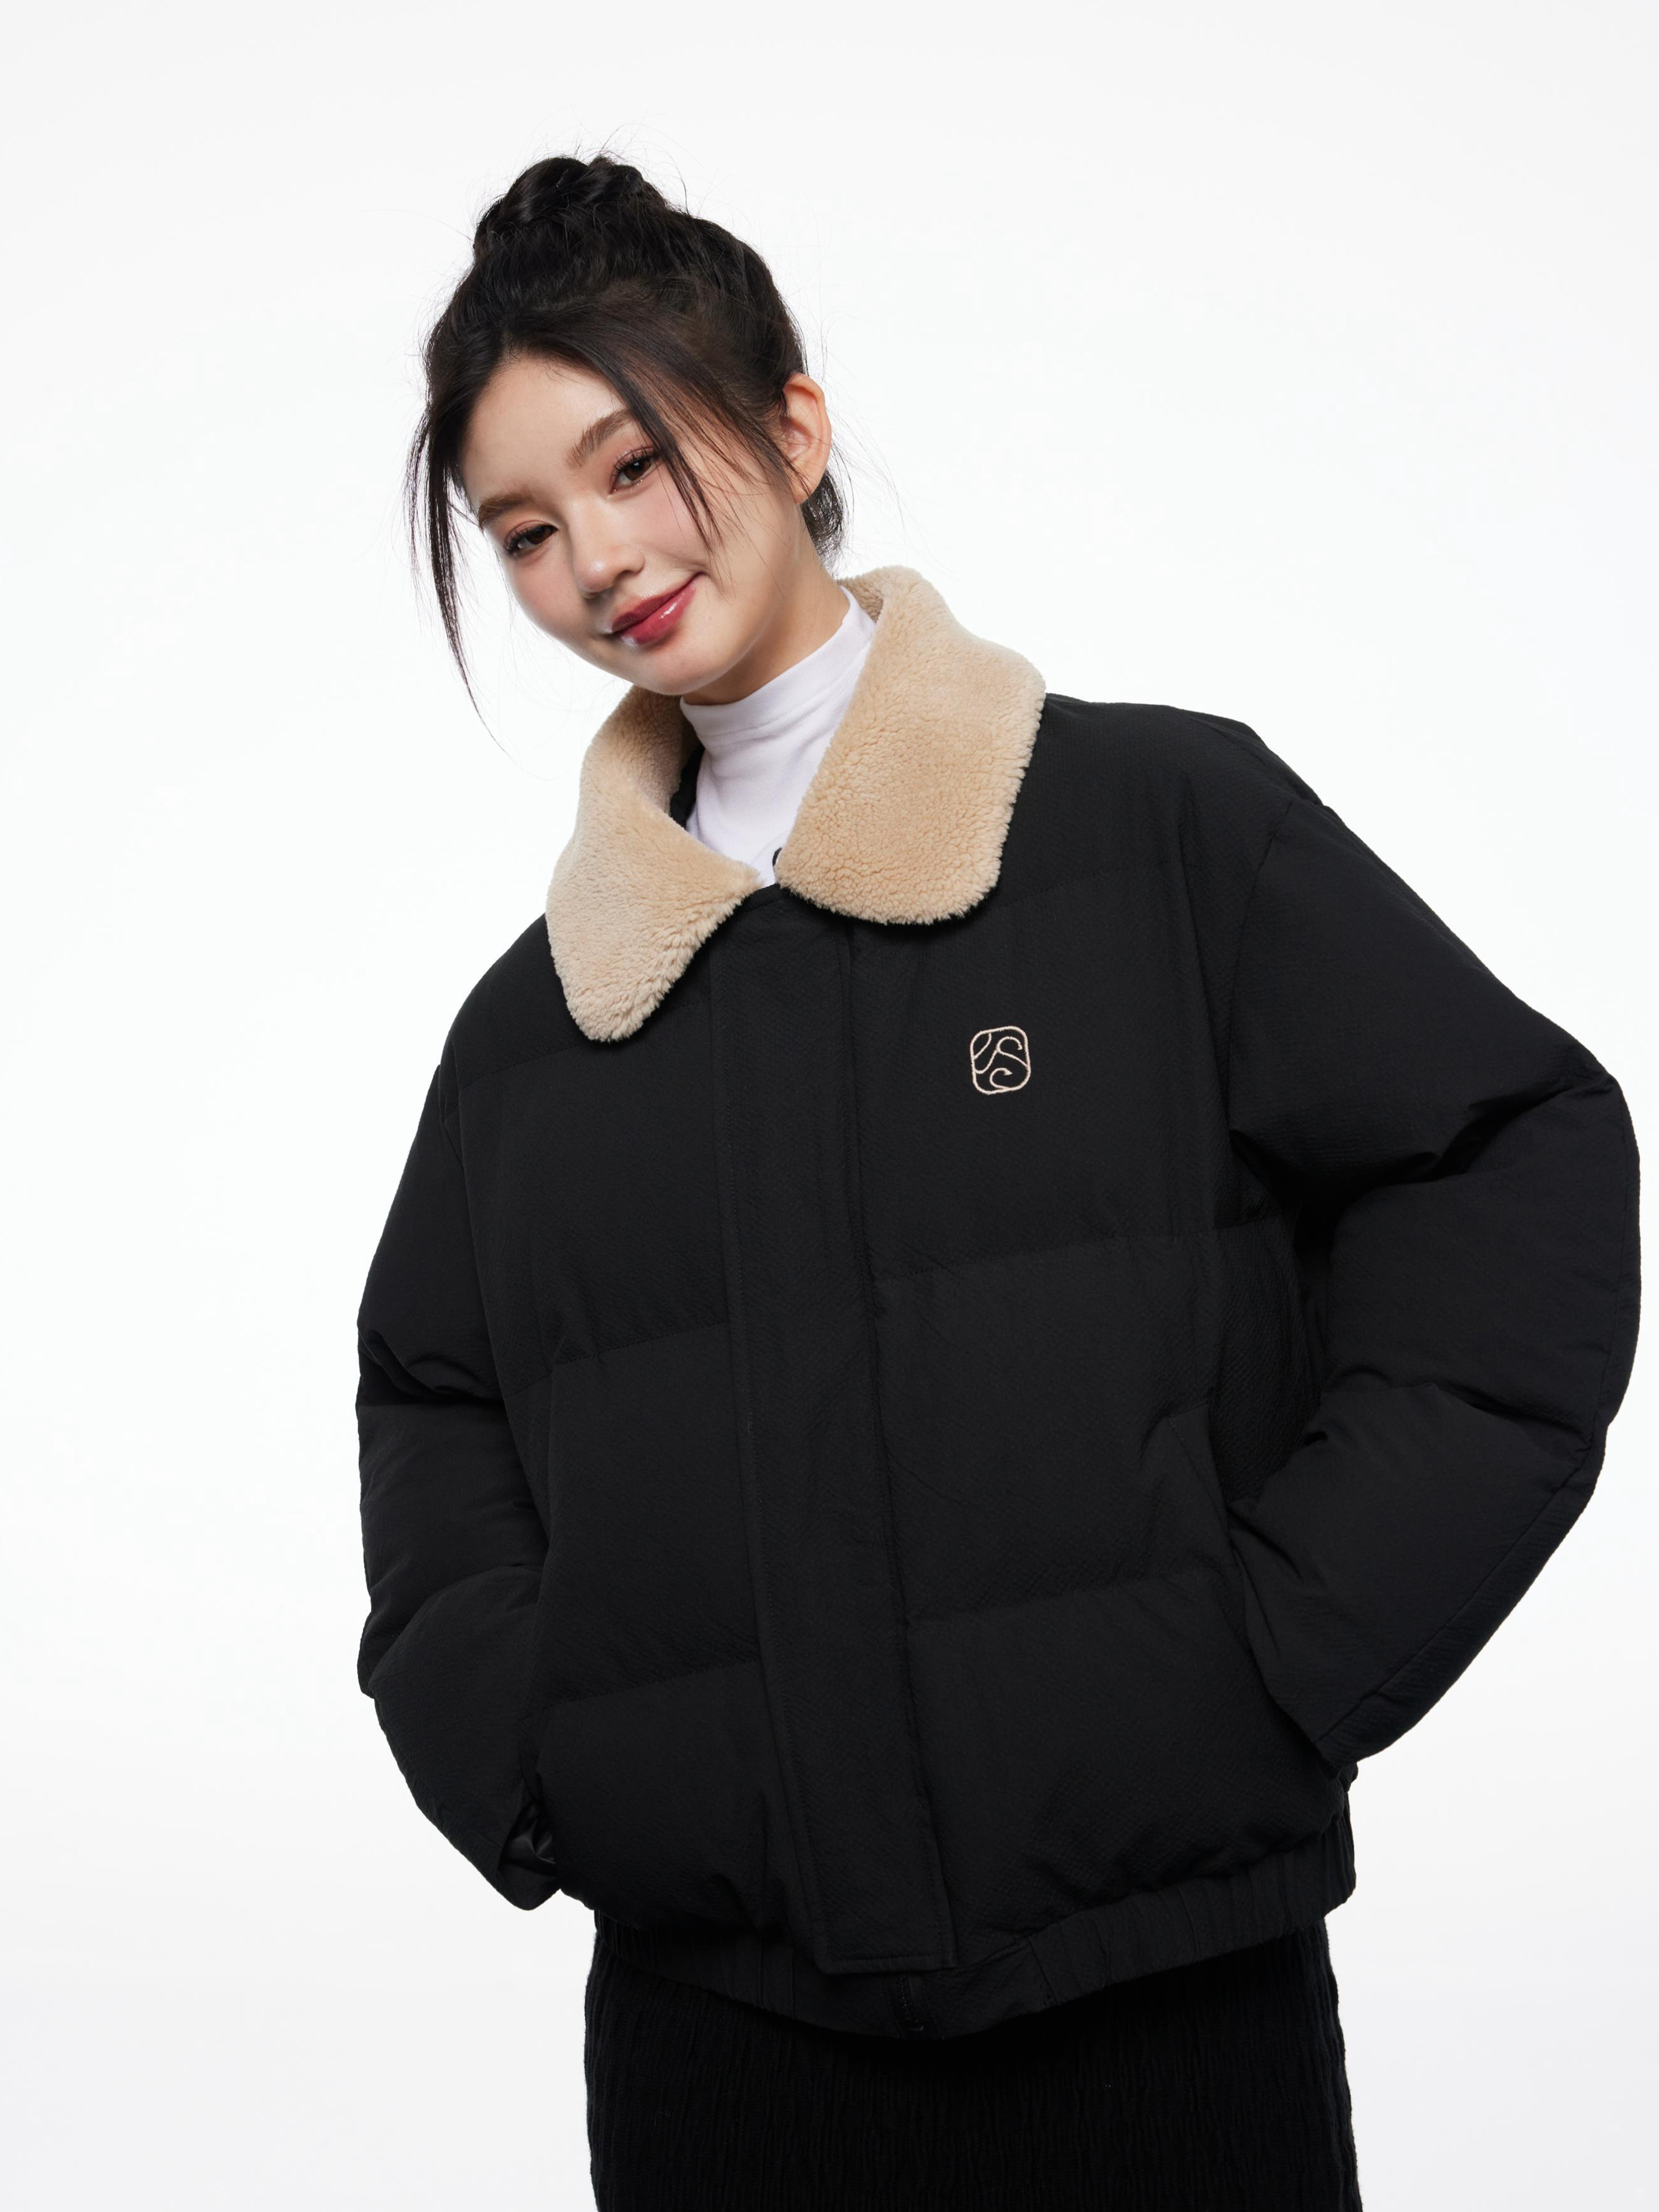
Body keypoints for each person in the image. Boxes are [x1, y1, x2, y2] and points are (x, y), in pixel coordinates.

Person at [353, 152, 1642, 2211]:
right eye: (521, 529)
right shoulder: (540, 1025)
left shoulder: (1154, 827)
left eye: (631, 462)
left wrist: (1283, 1647)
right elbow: (433, 1398)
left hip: (1158, 2000)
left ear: (793, 425)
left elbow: (1507, 1157)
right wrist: (541, 1747)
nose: (594, 558)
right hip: (721, 2043)